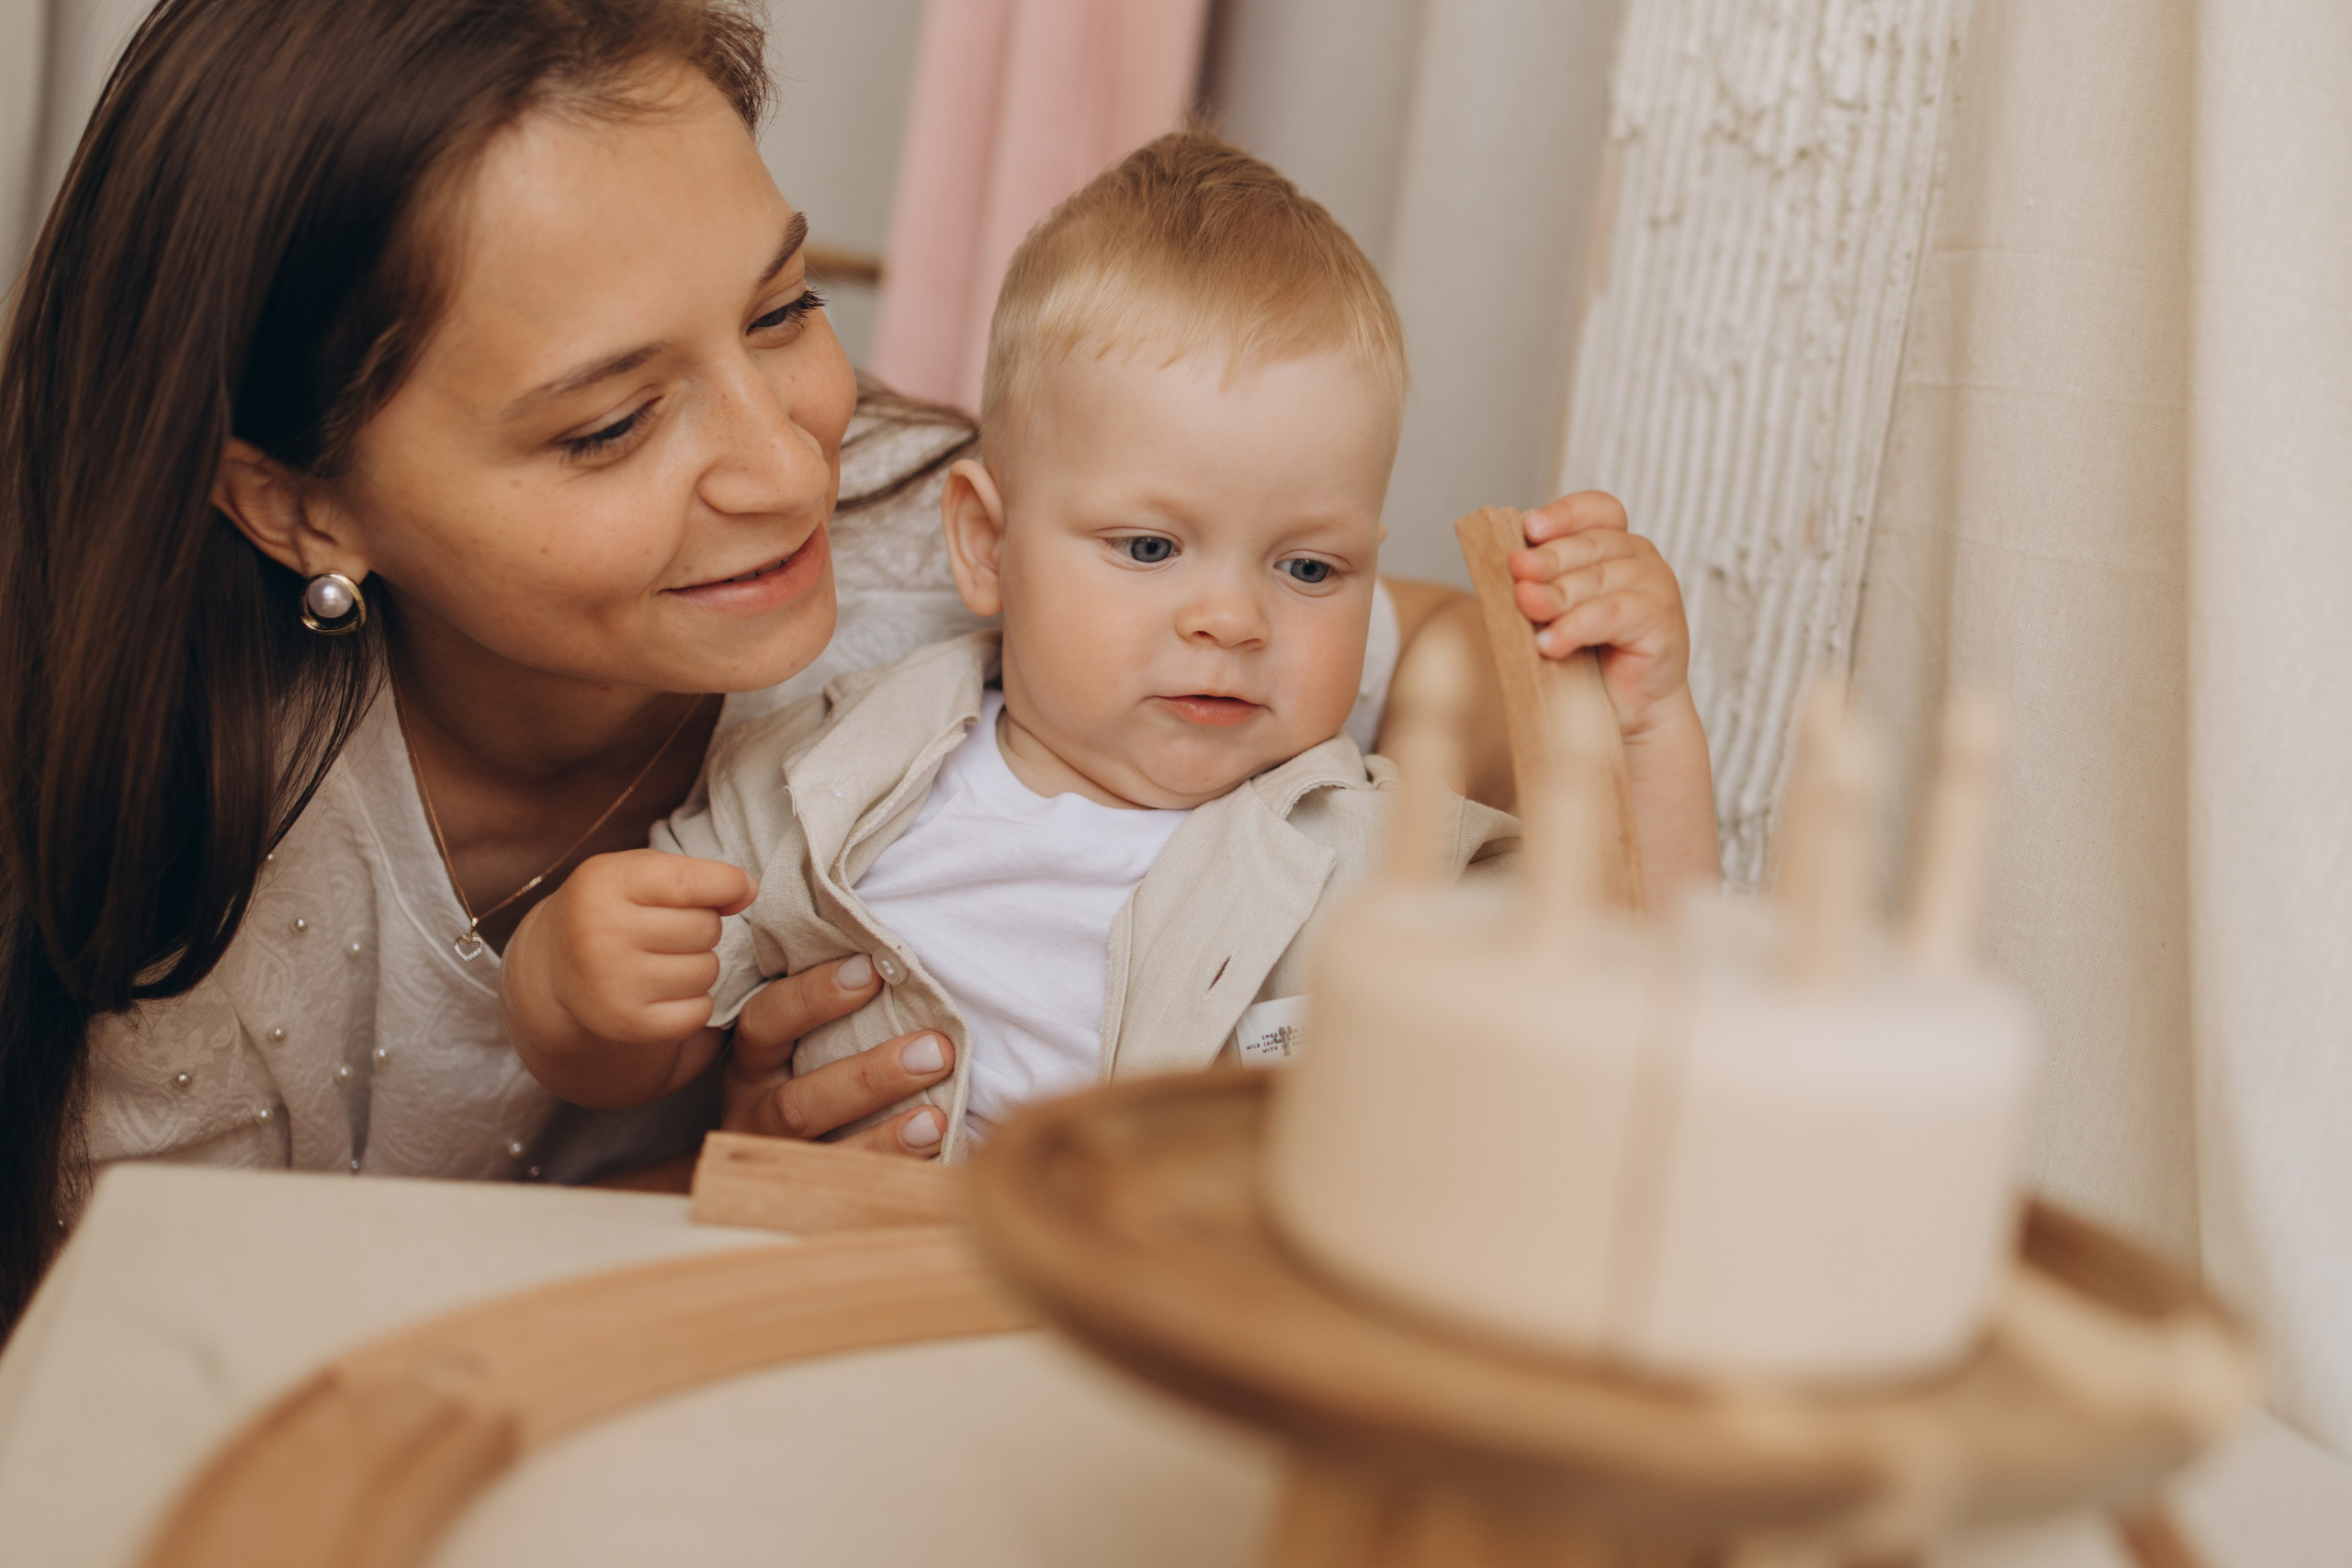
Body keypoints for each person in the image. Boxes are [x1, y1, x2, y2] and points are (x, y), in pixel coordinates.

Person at [0, 0, 1713, 1328]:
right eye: (609, 425)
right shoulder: (209, 886)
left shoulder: (947, 560)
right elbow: (172, 1377)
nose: (785, 465)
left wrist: (1615, 686)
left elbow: (1460, 665)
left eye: (782, 309)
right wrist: (727, 1176)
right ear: (299, 505)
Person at [503, 133, 1668, 1156]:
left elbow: (1638, 976)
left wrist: (1645, 726)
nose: (1233, 620)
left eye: (1309, 569)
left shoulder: (1369, 856)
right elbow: (651, 1057)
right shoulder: (823, 782)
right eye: (1150, 548)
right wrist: (570, 996)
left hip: (1186, 1307)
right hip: (871, 1290)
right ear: (986, 546)